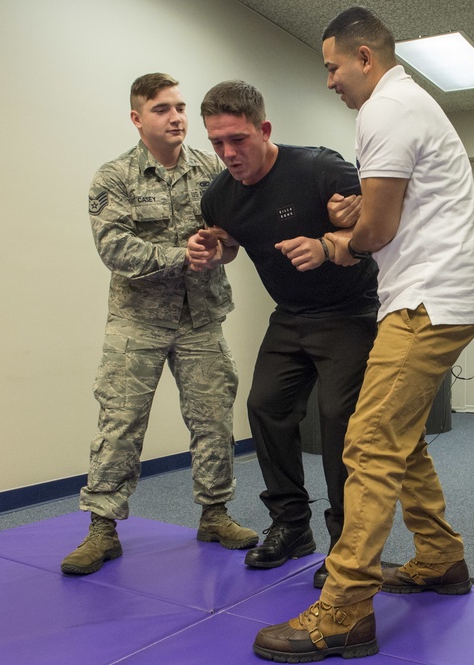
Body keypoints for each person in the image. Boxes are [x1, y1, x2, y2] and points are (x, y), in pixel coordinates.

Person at [251, 7, 474, 661]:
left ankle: (346, 609)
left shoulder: (385, 110)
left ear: (364, 58)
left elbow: (376, 235)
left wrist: (336, 240)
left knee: (367, 445)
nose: (328, 79)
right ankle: (441, 558)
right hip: (441, 295)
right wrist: (361, 211)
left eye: (331, 66)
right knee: (402, 437)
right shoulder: (407, 104)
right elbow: (397, 208)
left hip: (427, 301)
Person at [60, 73, 257, 576]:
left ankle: (215, 513)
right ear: (137, 119)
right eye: (163, 109)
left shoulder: (213, 169)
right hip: (137, 323)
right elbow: (114, 249)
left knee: (214, 419)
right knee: (120, 425)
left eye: (180, 107)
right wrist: (181, 254)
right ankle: (102, 528)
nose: (177, 118)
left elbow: (233, 236)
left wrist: (222, 247)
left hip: (201, 318)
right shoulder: (114, 177)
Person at [185, 80, 378, 589]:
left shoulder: (320, 168)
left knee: (339, 420)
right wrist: (213, 250)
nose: (229, 153)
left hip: (349, 310)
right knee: (265, 407)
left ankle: (346, 544)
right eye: (217, 143)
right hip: (290, 314)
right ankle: (292, 526)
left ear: (264, 129)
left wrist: (327, 241)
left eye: (239, 139)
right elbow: (229, 244)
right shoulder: (219, 196)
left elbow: (375, 229)